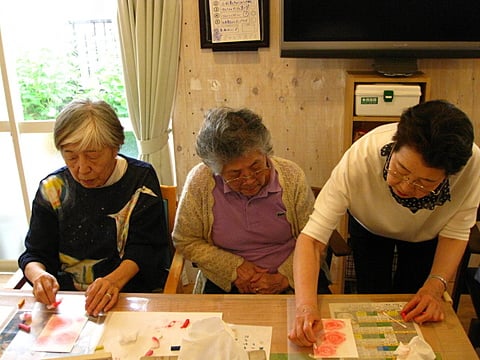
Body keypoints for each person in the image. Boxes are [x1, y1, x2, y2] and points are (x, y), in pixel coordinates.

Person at [289, 99, 480, 346]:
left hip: (427, 234)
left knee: (415, 306)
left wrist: (435, 287)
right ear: (394, 145)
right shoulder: (362, 156)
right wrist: (305, 306)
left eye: (425, 183)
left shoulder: (472, 165)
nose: (405, 186)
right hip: (370, 227)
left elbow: (456, 231)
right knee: (371, 295)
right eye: (400, 170)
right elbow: (313, 239)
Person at [18, 99, 171, 316]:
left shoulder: (140, 180)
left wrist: (112, 282)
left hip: (128, 296)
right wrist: (38, 276)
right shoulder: (53, 188)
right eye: (70, 156)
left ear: (115, 146)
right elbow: (34, 253)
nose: (82, 168)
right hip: (67, 304)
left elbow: (147, 249)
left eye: (93, 155)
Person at [172, 107, 330, 294]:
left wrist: (284, 278)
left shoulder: (291, 176)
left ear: (265, 153)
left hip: (295, 278)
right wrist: (233, 268)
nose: (248, 179)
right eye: (235, 174)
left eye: (256, 166)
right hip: (226, 283)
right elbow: (185, 239)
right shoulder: (200, 181)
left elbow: (314, 238)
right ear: (217, 171)